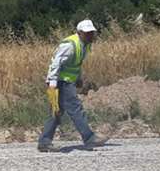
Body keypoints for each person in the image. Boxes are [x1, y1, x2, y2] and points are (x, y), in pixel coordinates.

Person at [37, 20, 110, 152]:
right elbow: (56, 63)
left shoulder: (84, 44)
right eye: (87, 33)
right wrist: (52, 83)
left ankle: (44, 142)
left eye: (92, 33)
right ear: (79, 33)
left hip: (66, 81)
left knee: (56, 112)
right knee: (75, 108)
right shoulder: (70, 45)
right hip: (60, 81)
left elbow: (75, 64)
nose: (90, 35)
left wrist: (78, 78)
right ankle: (89, 138)